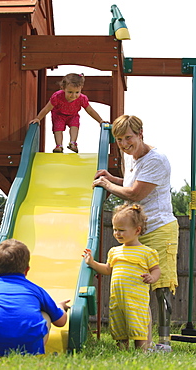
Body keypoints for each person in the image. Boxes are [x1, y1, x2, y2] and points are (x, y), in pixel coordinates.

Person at [92, 114, 178, 349]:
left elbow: (136, 194)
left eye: (128, 138)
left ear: (141, 134)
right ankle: (143, 341)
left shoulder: (156, 159)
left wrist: (107, 185)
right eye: (119, 140)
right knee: (136, 285)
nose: (124, 144)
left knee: (161, 284)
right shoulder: (133, 158)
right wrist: (113, 178)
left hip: (160, 227)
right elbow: (132, 183)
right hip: (138, 229)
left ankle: (164, 342)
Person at [0, 239, 70, 356]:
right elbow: (61, 321)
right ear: (27, 270)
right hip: (30, 347)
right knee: (45, 314)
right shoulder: (36, 290)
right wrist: (60, 306)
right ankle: (33, 351)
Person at [83, 203, 160, 350]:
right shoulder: (114, 251)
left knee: (138, 328)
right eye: (115, 229)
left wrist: (153, 278)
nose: (117, 233)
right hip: (117, 300)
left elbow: (156, 269)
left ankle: (142, 351)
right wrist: (92, 262)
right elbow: (107, 269)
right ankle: (122, 350)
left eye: (121, 230)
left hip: (136, 301)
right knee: (119, 328)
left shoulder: (147, 252)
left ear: (137, 230)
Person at [30, 73, 107, 153]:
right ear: (63, 88)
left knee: (75, 126)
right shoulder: (57, 96)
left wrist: (100, 120)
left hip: (73, 115)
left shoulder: (82, 98)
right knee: (58, 129)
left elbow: (90, 110)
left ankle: (73, 143)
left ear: (81, 89)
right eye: (70, 92)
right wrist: (38, 118)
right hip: (59, 115)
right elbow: (47, 108)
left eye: (77, 92)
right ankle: (59, 146)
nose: (73, 95)